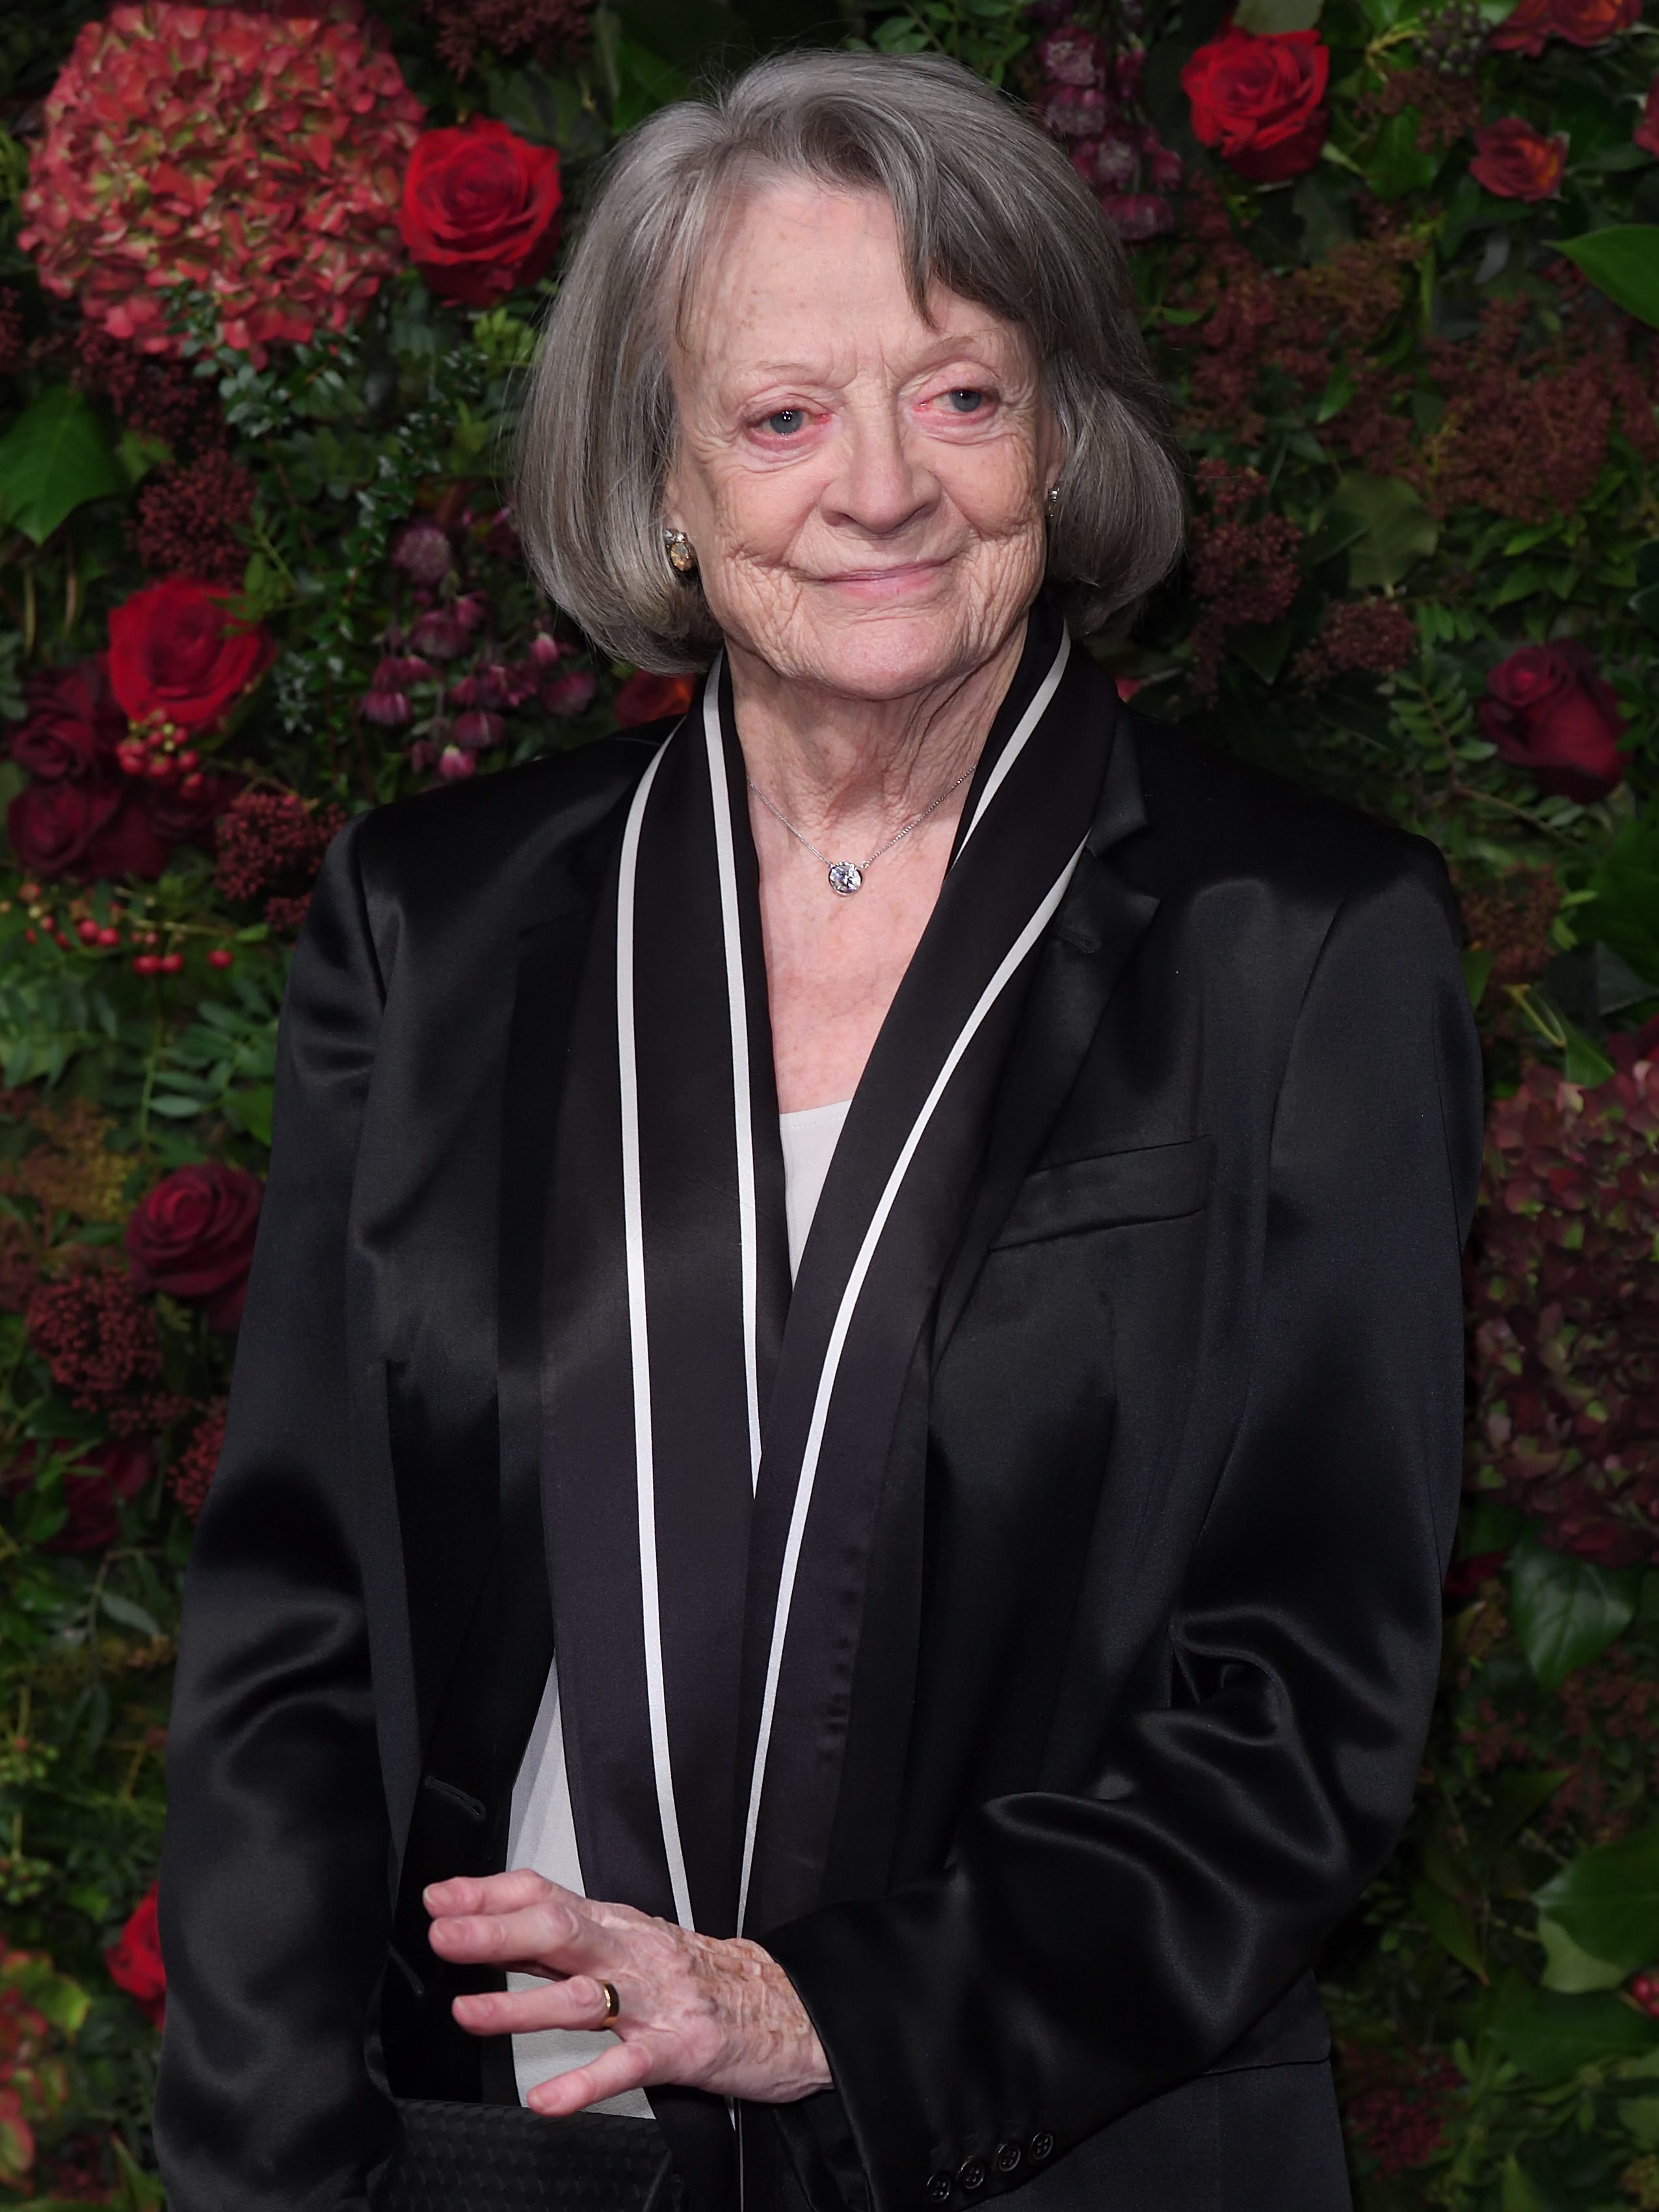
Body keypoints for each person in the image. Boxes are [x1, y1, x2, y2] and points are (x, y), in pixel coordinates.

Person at [153, 48, 1483, 2212]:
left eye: (958, 394)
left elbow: (1302, 1708)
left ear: (1061, 433)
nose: (881, 486)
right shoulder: (444, 921)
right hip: (507, 2151)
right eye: (782, 416)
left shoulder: (1303, 948)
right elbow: (298, 1633)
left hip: (1048, 2148)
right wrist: (266, 2173)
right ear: (665, 483)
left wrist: (823, 2013)